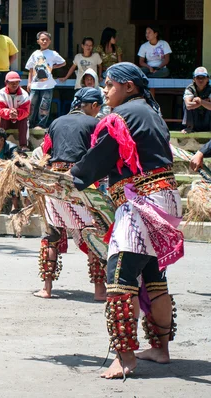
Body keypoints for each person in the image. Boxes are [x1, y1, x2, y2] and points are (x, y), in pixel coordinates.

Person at [70, 62, 183, 379]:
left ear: (129, 86)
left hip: (141, 204)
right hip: (162, 199)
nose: (104, 91)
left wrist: (71, 178)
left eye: (108, 85)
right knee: (153, 280)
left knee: (119, 280)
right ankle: (161, 349)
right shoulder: (151, 112)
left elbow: (100, 157)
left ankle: (125, 357)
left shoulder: (123, 116)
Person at [36, 87, 106, 300]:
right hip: (81, 181)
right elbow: (100, 153)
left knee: (52, 235)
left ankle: (46, 289)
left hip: (56, 182)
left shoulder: (56, 122)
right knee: (93, 234)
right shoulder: (95, 123)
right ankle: (99, 290)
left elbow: (45, 151)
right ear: (94, 106)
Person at [25, 31, 66, 129]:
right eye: (42, 39)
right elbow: (31, 69)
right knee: (32, 104)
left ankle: (41, 124)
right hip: (35, 84)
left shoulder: (52, 53)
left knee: (45, 105)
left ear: (50, 41)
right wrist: (29, 82)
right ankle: (29, 123)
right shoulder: (35, 54)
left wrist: (52, 67)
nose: (44, 41)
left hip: (47, 85)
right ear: (38, 41)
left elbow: (63, 62)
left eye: (47, 40)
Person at [0, 71, 31, 151]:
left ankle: (23, 145)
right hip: (6, 119)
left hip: (19, 119)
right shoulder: (1, 93)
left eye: (17, 82)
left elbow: (26, 111)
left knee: (24, 120)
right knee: (1, 120)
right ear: (6, 82)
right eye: (12, 82)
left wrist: (17, 113)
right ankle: (0, 144)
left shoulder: (24, 94)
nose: (14, 85)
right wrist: (9, 113)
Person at [182, 66, 211, 134]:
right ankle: (189, 127)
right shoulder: (190, 89)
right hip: (195, 119)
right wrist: (204, 102)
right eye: (198, 78)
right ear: (194, 79)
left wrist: (199, 101)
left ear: (207, 79)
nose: (201, 80)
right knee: (185, 104)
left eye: (203, 77)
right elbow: (188, 105)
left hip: (207, 119)